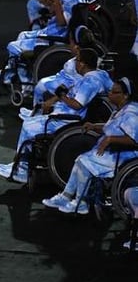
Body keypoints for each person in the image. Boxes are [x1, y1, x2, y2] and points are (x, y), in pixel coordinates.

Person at [0, 48, 113, 183]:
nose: (75, 62)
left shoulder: (90, 82)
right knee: (33, 118)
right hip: (65, 113)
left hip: (66, 120)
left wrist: (62, 96)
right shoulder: (101, 74)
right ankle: (22, 164)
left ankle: (23, 168)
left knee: (28, 126)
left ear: (83, 64)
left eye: (77, 60)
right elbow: (110, 90)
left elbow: (77, 104)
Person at [42, 77, 138, 214]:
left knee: (84, 162)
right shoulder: (120, 109)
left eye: (114, 92)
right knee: (80, 159)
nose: (109, 94)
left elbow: (134, 140)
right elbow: (110, 127)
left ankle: (81, 202)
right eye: (110, 91)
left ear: (125, 95)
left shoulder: (132, 114)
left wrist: (111, 139)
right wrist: (94, 126)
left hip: (124, 155)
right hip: (113, 151)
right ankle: (66, 196)